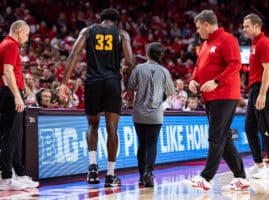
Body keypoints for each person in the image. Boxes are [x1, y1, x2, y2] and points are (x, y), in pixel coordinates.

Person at [60, 8, 134, 187]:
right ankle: (110, 175)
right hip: (112, 83)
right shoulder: (121, 34)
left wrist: (64, 82)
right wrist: (130, 87)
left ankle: (92, 169)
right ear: (116, 22)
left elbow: (73, 55)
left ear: (101, 20)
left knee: (92, 125)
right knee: (112, 128)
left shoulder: (87, 31)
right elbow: (130, 61)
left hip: (92, 82)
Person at [185, 10, 250, 191]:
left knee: (216, 136)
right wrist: (193, 79)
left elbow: (235, 64)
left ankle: (206, 178)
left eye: (198, 28)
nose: (197, 31)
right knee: (224, 137)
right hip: (211, 97)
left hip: (224, 95)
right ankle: (241, 177)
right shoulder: (206, 44)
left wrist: (216, 81)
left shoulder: (227, 39)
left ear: (206, 24)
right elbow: (199, 65)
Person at [126, 42, 175, 187]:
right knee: (152, 144)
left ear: (147, 53)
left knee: (142, 144)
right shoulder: (164, 71)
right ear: (160, 55)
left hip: (139, 112)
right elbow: (171, 91)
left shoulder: (138, 69)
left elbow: (130, 88)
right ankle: (149, 172)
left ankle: (142, 176)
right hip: (156, 114)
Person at [0, 20, 39, 190]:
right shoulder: (11, 45)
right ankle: (6, 177)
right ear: (18, 31)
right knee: (10, 137)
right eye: (26, 34)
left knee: (17, 136)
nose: (27, 38)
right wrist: (17, 96)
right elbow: (7, 71)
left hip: (11, 93)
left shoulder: (5, 44)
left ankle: (20, 174)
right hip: (10, 95)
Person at [243, 13, 269, 179]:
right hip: (254, 89)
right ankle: (259, 164)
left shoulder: (264, 43)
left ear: (257, 26)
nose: (244, 29)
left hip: (262, 88)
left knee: (265, 127)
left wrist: (262, 94)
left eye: (247, 26)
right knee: (249, 128)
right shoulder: (254, 44)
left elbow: (268, 70)